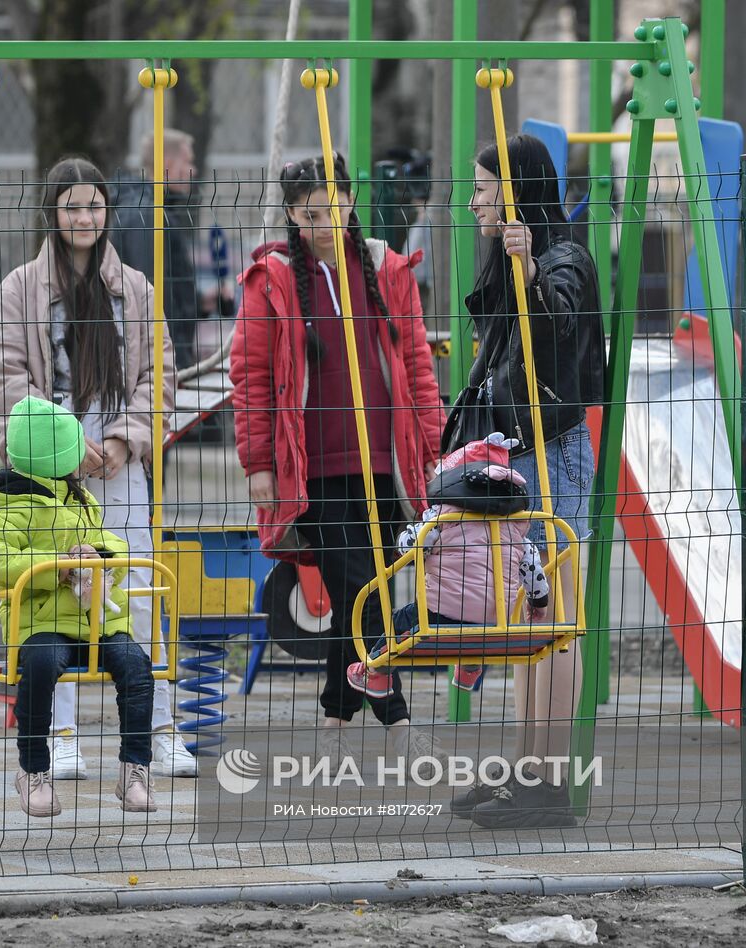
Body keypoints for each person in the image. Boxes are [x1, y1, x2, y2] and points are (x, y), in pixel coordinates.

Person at [0, 157, 196, 780]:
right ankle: (62, 731)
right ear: (52, 211)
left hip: (119, 461)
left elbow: (159, 379)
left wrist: (126, 441)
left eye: (94, 205)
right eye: (72, 205)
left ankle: (158, 728)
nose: (84, 217)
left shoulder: (134, 288)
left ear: (108, 211)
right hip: (49, 469)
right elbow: (6, 382)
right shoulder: (18, 289)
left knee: (134, 587)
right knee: (56, 590)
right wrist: (63, 449)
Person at [229, 154, 446, 745]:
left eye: (335, 205)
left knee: (372, 579)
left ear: (352, 199)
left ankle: (336, 715)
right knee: (359, 584)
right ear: (294, 216)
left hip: (383, 459)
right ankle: (393, 709)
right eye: (310, 212)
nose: (326, 220)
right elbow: (249, 375)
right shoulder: (271, 278)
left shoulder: (383, 267)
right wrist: (258, 465)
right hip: (312, 466)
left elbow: (417, 365)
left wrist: (432, 441)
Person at [447, 133, 605, 830]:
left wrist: (531, 268)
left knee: (557, 620)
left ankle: (551, 776)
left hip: (555, 451)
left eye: (483, 187)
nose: (473, 199)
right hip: (518, 451)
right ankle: (525, 767)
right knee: (528, 619)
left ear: (513, 192)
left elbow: (560, 329)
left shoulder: (564, 257)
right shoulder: (504, 258)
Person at [0, 397, 158, 817]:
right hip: (43, 622)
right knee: (38, 667)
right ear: (62, 458)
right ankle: (33, 771)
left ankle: (135, 769)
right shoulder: (10, 508)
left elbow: (115, 543)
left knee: (136, 667)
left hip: (97, 620)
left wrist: (99, 554)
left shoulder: (80, 500)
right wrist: (53, 569)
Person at [345, 433, 550, 700]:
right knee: (476, 633)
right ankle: (469, 669)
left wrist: (402, 539)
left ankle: (375, 673)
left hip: (439, 615)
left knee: (400, 622)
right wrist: (538, 603)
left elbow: (410, 546)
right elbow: (533, 572)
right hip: (495, 618)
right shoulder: (516, 529)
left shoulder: (440, 519)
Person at [110, 129, 201, 368]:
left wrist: (200, 301)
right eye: (188, 161)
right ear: (167, 164)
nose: (194, 170)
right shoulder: (148, 215)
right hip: (156, 360)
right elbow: (154, 291)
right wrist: (173, 361)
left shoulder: (152, 209)